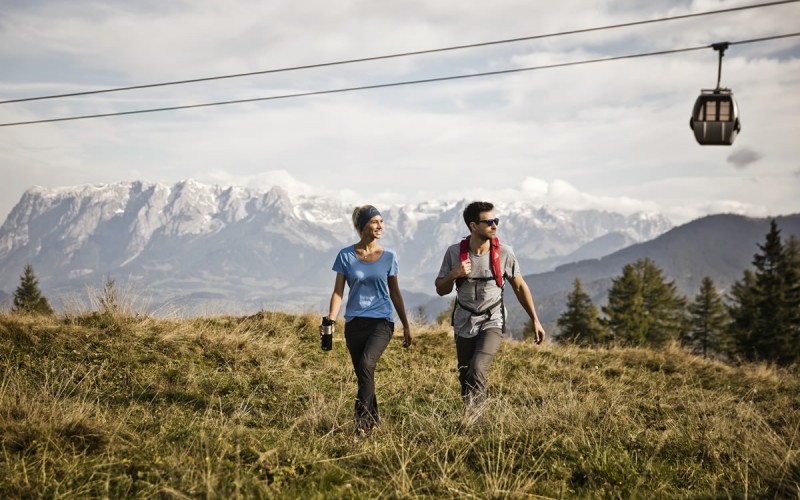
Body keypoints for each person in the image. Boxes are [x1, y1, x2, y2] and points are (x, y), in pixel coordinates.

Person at [435, 201, 545, 425]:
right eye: (490, 222)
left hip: (492, 319)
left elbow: (520, 286)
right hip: (464, 320)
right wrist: (454, 273)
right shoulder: (454, 252)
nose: (495, 225)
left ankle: (477, 422)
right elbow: (440, 289)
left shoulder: (504, 252)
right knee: (466, 373)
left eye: (497, 221)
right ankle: (470, 418)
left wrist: (535, 319)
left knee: (477, 369)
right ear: (474, 226)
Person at [323, 204, 412, 436]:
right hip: (354, 324)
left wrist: (406, 325)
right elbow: (338, 292)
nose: (380, 226)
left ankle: (360, 426)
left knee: (366, 365)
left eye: (381, 221)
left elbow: (395, 293)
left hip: (381, 322)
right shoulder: (345, 255)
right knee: (364, 375)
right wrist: (331, 319)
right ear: (363, 226)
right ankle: (373, 422)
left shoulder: (389, 257)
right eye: (375, 222)